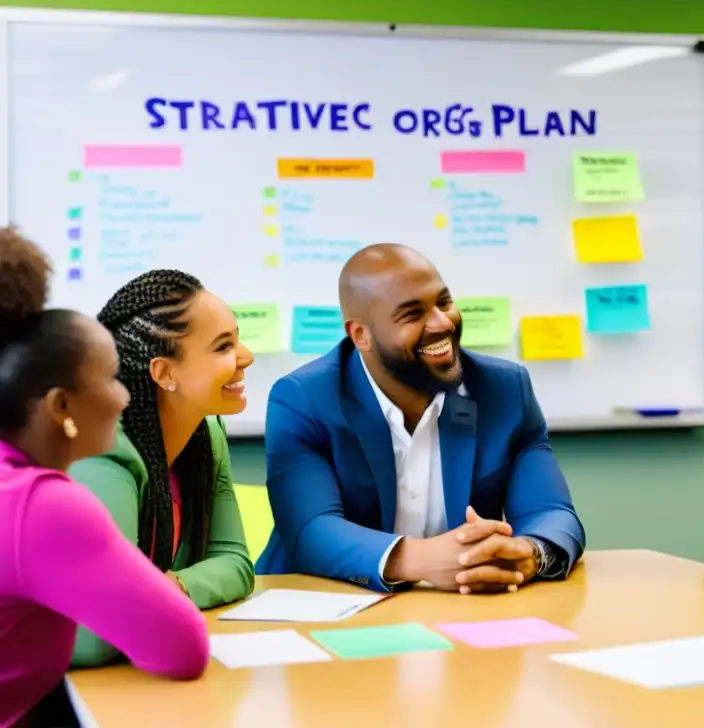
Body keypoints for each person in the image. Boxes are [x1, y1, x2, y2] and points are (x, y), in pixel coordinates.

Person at [256, 243, 585, 594]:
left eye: (443, 302)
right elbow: (311, 530)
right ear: (361, 336)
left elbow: (552, 512)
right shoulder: (305, 398)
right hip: (318, 604)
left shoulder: (503, 389)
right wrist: (421, 559)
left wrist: (530, 552)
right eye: (413, 314)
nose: (443, 323)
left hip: (457, 607)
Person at [0, 228, 208, 726]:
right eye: (112, 377)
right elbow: (181, 648)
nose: (125, 396)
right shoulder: (41, 505)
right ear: (61, 405)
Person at [68, 270, 255, 668]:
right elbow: (95, 636)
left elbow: (236, 563)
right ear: (164, 373)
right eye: (224, 347)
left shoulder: (208, 434)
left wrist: (178, 586)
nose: (246, 357)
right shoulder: (105, 450)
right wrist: (163, 593)